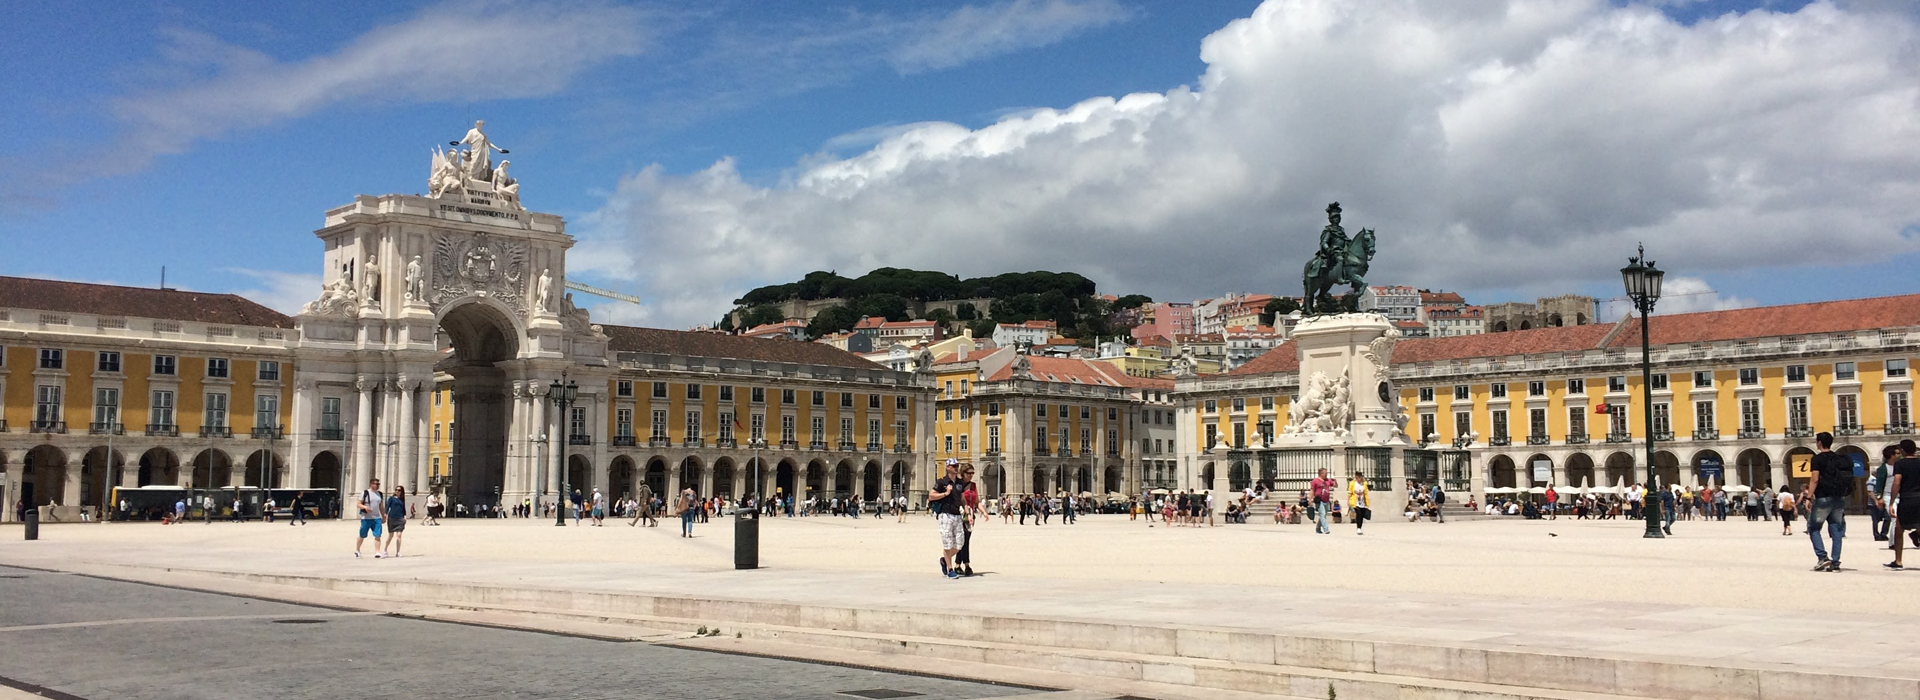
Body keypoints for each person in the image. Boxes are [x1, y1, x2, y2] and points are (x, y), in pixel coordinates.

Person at [1806, 432, 1852, 571]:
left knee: (1813, 527)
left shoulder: (1817, 459)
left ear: (1819, 442)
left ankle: (1822, 557)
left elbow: (1815, 479)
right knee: (1836, 529)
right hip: (1839, 497)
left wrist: (1809, 497)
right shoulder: (1839, 458)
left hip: (1823, 497)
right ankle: (1836, 561)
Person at [1884, 440, 1920, 570]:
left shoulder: (1900, 464)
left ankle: (1898, 560)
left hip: (1907, 499)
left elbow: (1897, 482)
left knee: (1899, 529)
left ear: (1903, 451)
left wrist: (1892, 501)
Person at [930, 460, 964, 579]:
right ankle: (950, 569)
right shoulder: (941, 482)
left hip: (957, 515)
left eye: (957, 466)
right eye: (954, 466)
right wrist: (945, 493)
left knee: (960, 543)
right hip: (945, 515)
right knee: (948, 543)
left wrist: (968, 512)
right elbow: (931, 496)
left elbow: (962, 499)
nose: (957, 468)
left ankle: (944, 560)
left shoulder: (960, 482)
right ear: (948, 467)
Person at [955, 464, 981, 576]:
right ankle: (966, 565)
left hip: (970, 515)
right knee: (963, 540)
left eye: (972, 473)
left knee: (965, 540)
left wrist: (984, 513)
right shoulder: (958, 485)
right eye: (969, 473)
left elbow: (977, 501)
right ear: (963, 473)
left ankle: (957, 565)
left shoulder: (973, 485)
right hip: (959, 515)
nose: (971, 475)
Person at [1873, 445, 1897, 542]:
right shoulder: (1883, 469)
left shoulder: (1899, 466)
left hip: (1899, 495)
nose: (1900, 455)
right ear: (1892, 455)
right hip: (1887, 495)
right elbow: (1879, 484)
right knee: (1894, 518)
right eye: (1897, 453)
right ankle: (1893, 542)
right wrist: (1879, 498)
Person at [355, 478, 384, 558]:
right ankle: (357, 550)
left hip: (377, 518)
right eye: (376, 484)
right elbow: (358, 504)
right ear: (371, 484)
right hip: (366, 518)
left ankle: (377, 552)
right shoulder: (365, 493)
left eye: (379, 484)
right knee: (362, 535)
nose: (378, 485)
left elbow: (381, 506)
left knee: (378, 535)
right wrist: (365, 507)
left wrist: (383, 516)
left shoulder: (379, 494)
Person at [383, 485, 409, 557]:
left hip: (400, 518)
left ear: (401, 492)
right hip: (392, 518)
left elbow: (403, 509)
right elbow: (387, 506)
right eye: (396, 490)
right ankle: (385, 550)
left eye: (399, 490)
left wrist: (405, 516)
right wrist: (385, 514)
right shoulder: (391, 498)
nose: (397, 491)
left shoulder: (402, 499)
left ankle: (398, 552)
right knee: (391, 535)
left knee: (399, 535)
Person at [1309, 468, 1335, 534]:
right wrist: (1310, 499)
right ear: (1321, 474)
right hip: (1319, 500)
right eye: (1325, 473)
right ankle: (1326, 529)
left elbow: (1335, 485)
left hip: (1326, 499)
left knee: (1323, 515)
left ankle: (1318, 528)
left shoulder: (1328, 480)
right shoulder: (1315, 481)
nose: (1326, 474)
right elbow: (1312, 490)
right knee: (1322, 514)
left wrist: (1335, 481)